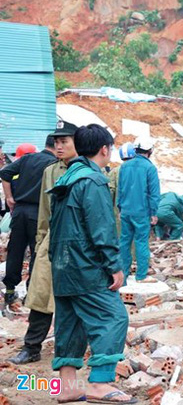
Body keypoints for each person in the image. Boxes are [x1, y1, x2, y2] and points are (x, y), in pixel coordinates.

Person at [48, 124, 134, 404]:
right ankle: (100, 383)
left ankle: (69, 386)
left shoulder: (67, 178)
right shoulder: (93, 181)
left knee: (71, 322)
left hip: (62, 266)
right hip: (86, 267)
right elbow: (101, 228)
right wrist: (115, 265)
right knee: (114, 317)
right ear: (104, 149)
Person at [8, 121, 79, 365]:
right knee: (41, 294)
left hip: (80, 244)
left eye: (64, 142)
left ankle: (72, 350)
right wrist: (40, 242)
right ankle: (32, 347)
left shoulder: (91, 171)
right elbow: (45, 211)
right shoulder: (51, 170)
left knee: (78, 298)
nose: (59, 147)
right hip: (52, 240)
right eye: (56, 142)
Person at [0, 136, 57, 306]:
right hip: (38, 213)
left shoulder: (28, 158)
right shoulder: (54, 164)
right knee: (37, 252)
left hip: (19, 211)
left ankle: (10, 291)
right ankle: (30, 292)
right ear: (57, 145)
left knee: (15, 250)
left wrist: (9, 198)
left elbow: (4, 173)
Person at [117, 136, 160, 283]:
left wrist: (120, 208)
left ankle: (123, 275)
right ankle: (141, 276)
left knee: (124, 242)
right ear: (150, 151)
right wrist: (154, 213)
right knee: (141, 242)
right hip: (142, 212)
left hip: (126, 211)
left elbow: (120, 189)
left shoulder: (124, 166)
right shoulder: (150, 168)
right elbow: (154, 193)